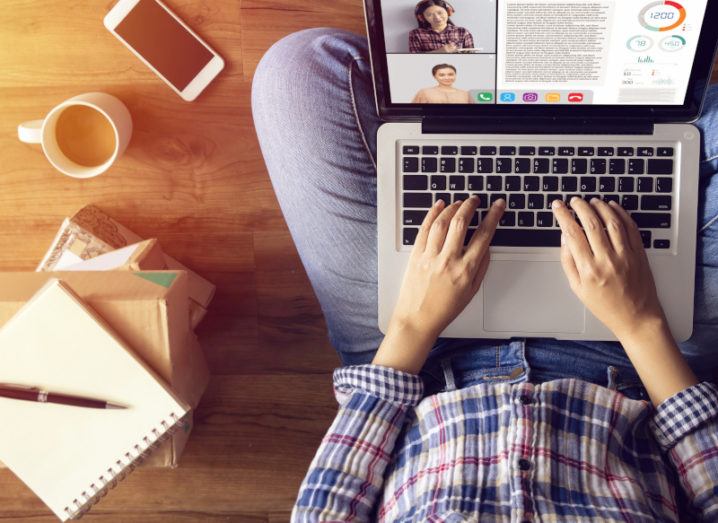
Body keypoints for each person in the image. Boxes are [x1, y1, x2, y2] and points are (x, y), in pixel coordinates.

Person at [252, 28, 718, 521]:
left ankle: (553, 105)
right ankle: (587, 105)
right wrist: (641, 324)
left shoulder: (414, 333)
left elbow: (332, 497)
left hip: (420, 356)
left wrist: (413, 323)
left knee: (299, 70)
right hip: (640, 364)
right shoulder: (641, 333)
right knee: (671, 128)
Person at [409, 0, 474, 54]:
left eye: (440, 13)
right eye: (429, 15)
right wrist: (439, 51)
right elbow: (415, 59)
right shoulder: (415, 34)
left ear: (448, 12)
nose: (437, 17)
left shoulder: (463, 32)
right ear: (422, 18)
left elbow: (472, 58)